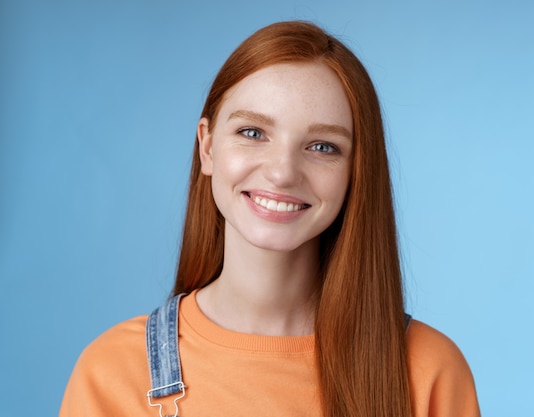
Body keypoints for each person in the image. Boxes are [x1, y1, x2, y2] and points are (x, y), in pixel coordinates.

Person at [60, 21, 480, 417]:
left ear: (357, 171)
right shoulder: (112, 371)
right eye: (253, 133)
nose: (282, 172)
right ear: (207, 147)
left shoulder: (428, 370)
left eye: (322, 147)